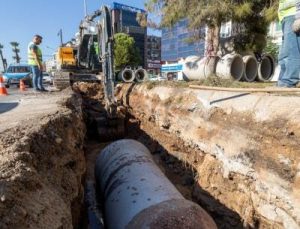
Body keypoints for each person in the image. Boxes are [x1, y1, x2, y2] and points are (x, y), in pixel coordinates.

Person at [277, 0, 300, 87]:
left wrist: (298, 16)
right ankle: (282, 81)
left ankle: (289, 81)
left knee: (292, 52)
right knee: (284, 54)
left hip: (293, 14)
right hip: (285, 17)